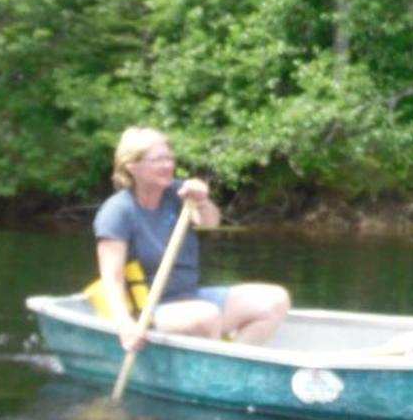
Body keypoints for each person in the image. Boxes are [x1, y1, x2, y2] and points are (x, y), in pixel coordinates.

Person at [93, 127, 290, 353]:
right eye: (158, 160)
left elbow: (210, 223)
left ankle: (230, 365)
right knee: (206, 316)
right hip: (149, 309)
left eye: (169, 158)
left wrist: (202, 200)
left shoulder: (177, 194)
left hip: (191, 296)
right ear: (132, 166)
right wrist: (125, 325)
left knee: (275, 300)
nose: (168, 165)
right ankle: (218, 367)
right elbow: (112, 278)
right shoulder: (117, 211)